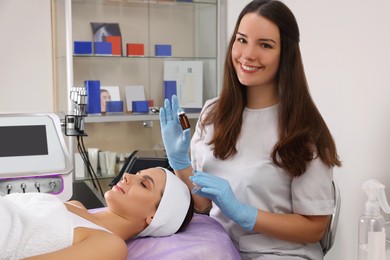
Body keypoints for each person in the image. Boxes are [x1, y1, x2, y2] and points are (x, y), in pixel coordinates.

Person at [159, 0, 341, 259]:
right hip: (219, 249)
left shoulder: (304, 129)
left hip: (278, 253)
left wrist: (246, 215)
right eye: (242, 40)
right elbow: (202, 203)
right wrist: (179, 163)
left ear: (286, 54)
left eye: (265, 45)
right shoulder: (213, 114)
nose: (248, 54)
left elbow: (315, 228)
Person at [0, 167, 193, 260]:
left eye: (143, 184)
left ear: (154, 217)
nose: (127, 176)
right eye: (137, 173)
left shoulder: (110, 245)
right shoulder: (76, 205)